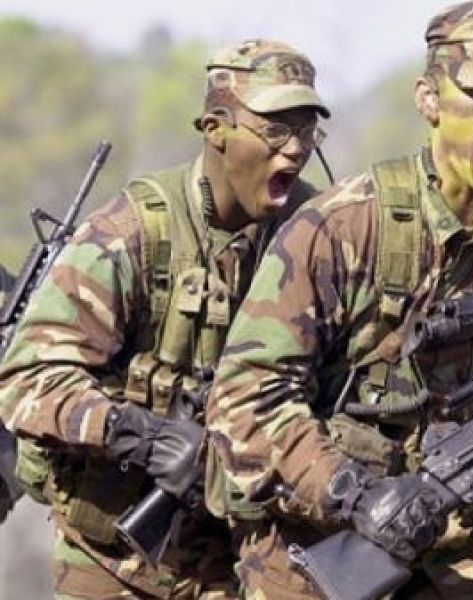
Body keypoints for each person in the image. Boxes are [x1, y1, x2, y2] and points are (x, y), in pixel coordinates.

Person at [202, 3, 473, 598]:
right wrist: (354, 494)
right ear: (428, 99)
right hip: (321, 563)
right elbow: (244, 400)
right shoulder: (344, 227)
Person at [0, 39, 328, 598]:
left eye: (307, 131)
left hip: (244, 561)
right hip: (112, 562)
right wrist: (144, 436)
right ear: (215, 130)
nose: (295, 149)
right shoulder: (133, 231)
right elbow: (27, 381)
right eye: (275, 129)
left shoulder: (317, 230)